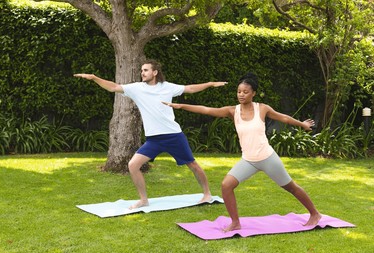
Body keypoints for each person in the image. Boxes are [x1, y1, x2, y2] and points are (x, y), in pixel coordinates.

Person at [163, 73, 322, 232]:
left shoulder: (262, 108)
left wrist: (302, 124)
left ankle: (315, 214)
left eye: (245, 92)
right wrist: (181, 106)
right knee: (226, 185)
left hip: (267, 158)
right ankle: (235, 222)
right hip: (248, 161)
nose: (241, 95)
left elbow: (284, 119)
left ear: (253, 93)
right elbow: (207, 110)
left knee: (291, 187)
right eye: (239, 91)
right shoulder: (233, 111)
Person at [74, 59, 227, 209]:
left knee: (192, 164)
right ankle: (143, 200)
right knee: (133, 165)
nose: (142, 73)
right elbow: (113, 87)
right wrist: (94, 78)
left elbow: (190, 89)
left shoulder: (167, 87)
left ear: (155, 72)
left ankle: (207, 194)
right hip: (154, 139)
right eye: (142, 70)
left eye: (145, 70)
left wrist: (210, 84)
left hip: (173, 135)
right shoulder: (137, 88)